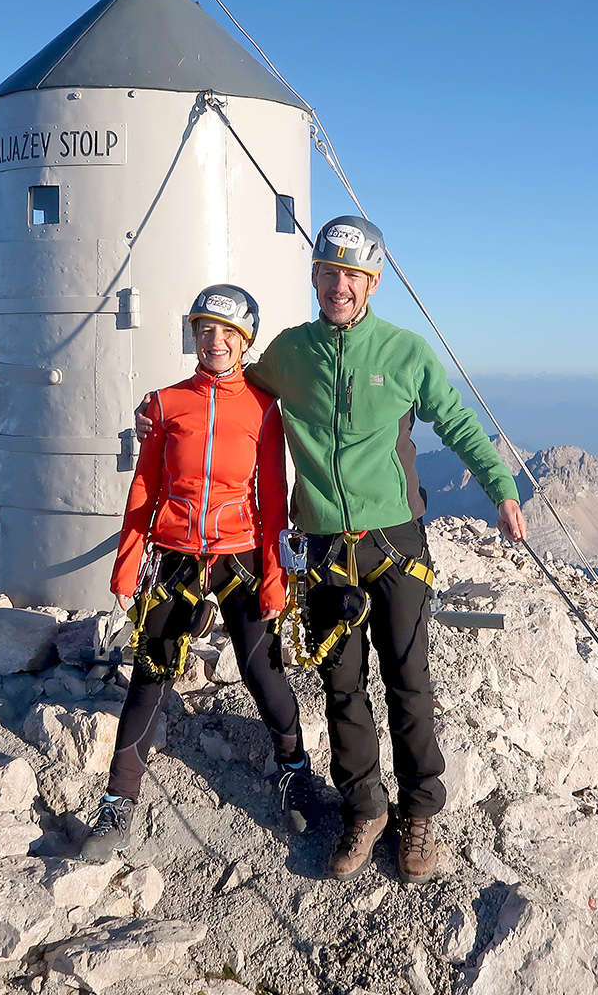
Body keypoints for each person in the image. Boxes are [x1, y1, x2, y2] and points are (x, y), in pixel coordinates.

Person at [139, 216, 525, 883]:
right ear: (314, 278)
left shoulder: (404, 353)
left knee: (409, 681)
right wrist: (160, 410)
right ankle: (365, 808)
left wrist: (501, 488)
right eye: (327, 272)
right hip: (320, 549)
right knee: (342, 684)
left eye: (351, 275)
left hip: (394, 539)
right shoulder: (289, 353)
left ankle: (419, 813)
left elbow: (455, 419)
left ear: (371, 283)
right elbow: (225, 389)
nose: (338, 285)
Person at [78, 283, 314, 864]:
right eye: (205, 330)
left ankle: (294, 767)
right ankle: (119, 797)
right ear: (194, 336)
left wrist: (277, 575)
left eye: (227, 333)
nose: (215, 341)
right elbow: (145, 488)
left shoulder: (262, 410)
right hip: (176, 553)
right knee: (151, 675)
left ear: (244, 342)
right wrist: (127, 567)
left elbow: (274, 495)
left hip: (240, 554)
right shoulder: (163, 405)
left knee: (263, 672)